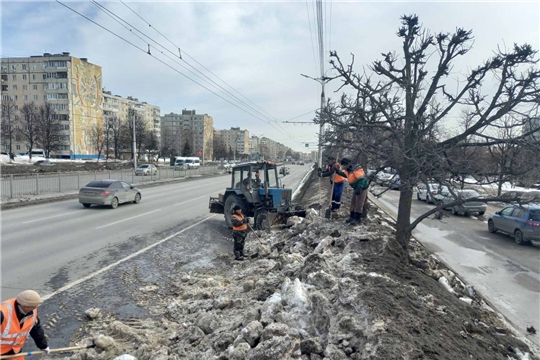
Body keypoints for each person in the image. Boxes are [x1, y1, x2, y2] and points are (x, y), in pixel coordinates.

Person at [0, 290, 50, 359]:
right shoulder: (3, 312)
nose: (33, 309)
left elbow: (36, 329)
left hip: (15, 351)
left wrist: (43, 346)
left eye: (35, 306)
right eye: (31, 307)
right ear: (23, 305)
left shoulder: (33, 311)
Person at [336, 158, 370, 224]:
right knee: (353, 202)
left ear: (347, 164)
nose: (343, 167)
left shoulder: (356, 169)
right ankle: (352, 217)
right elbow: (345, 175)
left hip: (362, 188)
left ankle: (357, 219)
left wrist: (359, 188)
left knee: (359, 203)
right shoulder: (348, 170)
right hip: (356, 187)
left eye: (343, 165)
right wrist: (338, 172)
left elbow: (362, 179)